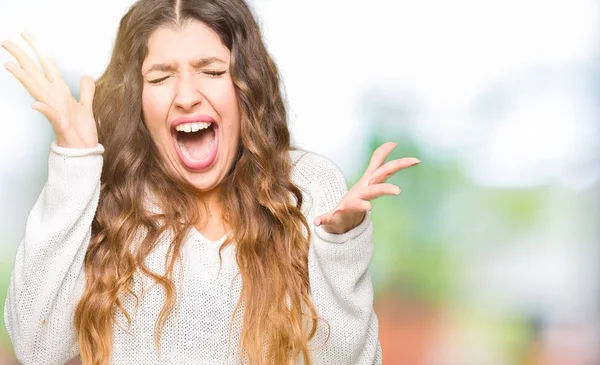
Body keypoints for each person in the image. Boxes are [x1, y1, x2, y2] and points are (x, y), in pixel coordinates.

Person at [1, 0, 420, 364]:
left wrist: (339, 250)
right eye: (161, 77)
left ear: (246, 85)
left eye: (212, 71)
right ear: (137, 98)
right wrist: (74, 160)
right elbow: (37, 348)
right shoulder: (112, 197)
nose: (186, 95)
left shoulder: (308, 188)